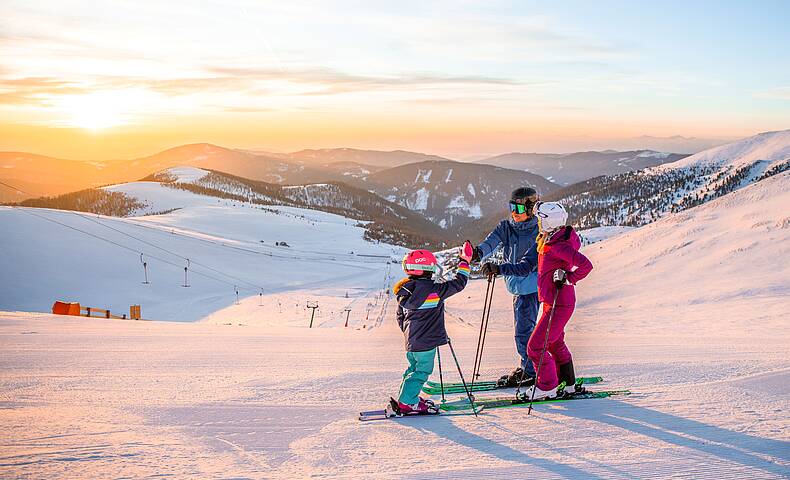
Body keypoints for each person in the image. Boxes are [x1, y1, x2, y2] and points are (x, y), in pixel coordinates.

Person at [387, 242, 473, 416]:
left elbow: (400, 317)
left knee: (413, 369)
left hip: (412, 342)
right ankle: (407, 402)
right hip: (426, 344)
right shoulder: (435, 290)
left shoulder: (404, 291)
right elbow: (459, 283)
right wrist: (464, 261)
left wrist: (409, 334)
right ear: (428, 267)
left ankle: (407, 397)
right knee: (422, 371)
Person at [523, 201, 593, 399]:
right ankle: (567, 383)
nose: (538, 222)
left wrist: (569, 278)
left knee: (535, 346)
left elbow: (586, 265)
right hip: (553, 302)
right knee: (554, 343)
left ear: (549, 223)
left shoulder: (558, 246)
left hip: (558, 302)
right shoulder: (552, 239)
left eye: (540, 219)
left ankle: (547, 387)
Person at [473, 187, 540, 386]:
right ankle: (532, 366)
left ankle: (530, 371)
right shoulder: (506, 227)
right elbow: (491, 243)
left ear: (530, 209)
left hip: (531, 288)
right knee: (526, 331)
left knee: (523, 332)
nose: (513, 212)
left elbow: (526, 267)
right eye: (511, 207)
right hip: (516, 288)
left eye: (518, 208)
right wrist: (478, 253)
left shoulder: (539, 232)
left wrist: (499, 268)